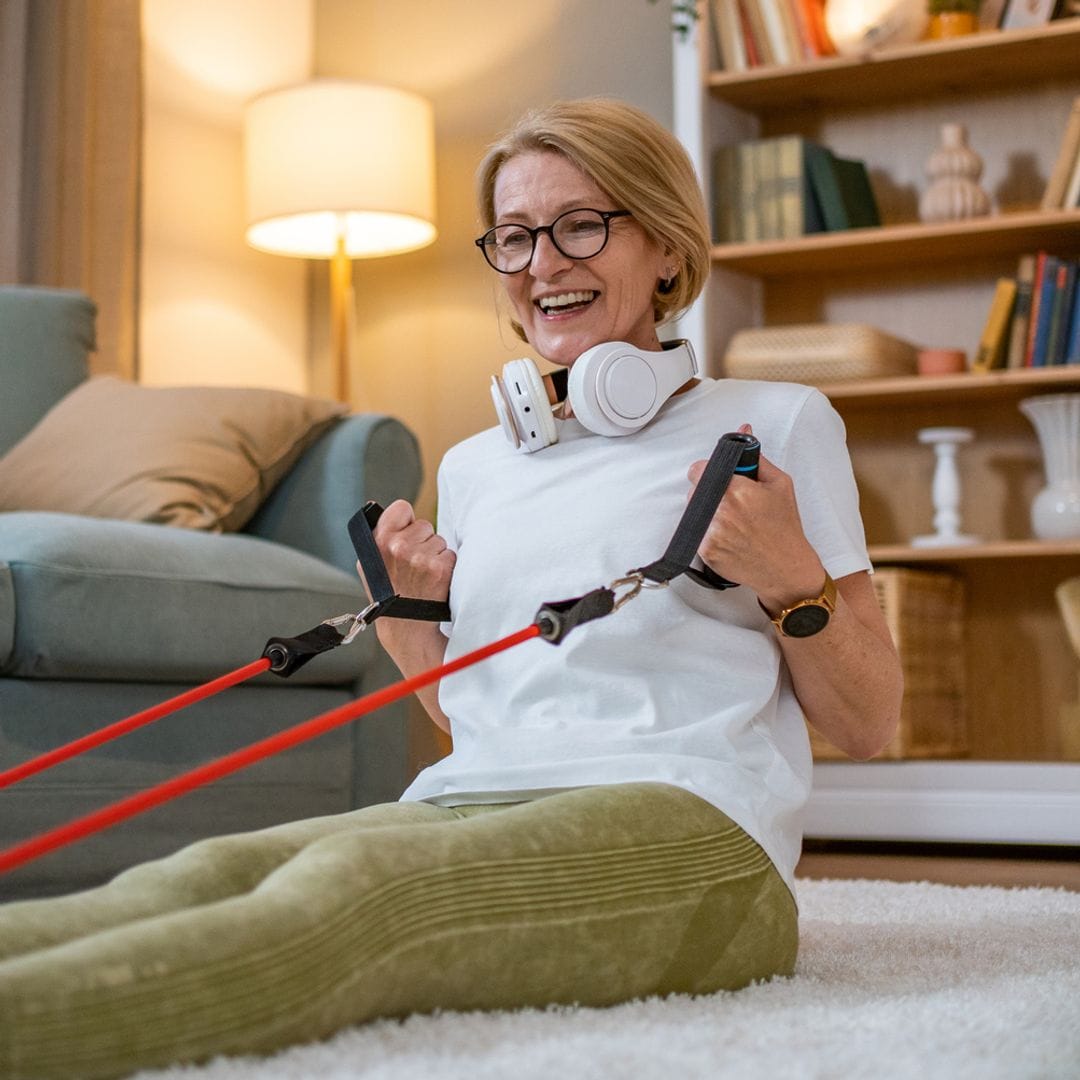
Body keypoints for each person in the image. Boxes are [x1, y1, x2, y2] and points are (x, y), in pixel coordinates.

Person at [0, 98, 903, 1080]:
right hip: (473, 798)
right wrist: (412, 622)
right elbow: (483, 714)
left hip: (697, 826)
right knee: (211, 870)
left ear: (668, 254)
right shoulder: (480, 466)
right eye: (514, 239)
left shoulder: (775, 422)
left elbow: (867, 721)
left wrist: (789, 576)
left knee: (358, 884)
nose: (543, 264)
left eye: (581, 225)